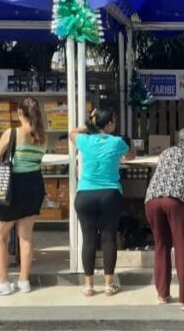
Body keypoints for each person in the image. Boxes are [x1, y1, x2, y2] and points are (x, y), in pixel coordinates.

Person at [0, 98, 48, 296]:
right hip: (34, 185)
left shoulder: (11, 133)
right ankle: (24, 281)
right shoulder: (42, 136)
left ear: (20, 113)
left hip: (11, 187)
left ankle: (3, 281)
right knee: (26, 237)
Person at [69, 106, 135, 297]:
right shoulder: (117, 142)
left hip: (85, 195)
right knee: (108, 238)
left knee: (88, 239)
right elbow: (131, 155)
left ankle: (88, 285)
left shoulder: (84, 140)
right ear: (109, 124)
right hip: (109, 194)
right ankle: (108, 284)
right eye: (114, 120)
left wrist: (90, 122)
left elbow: (72, 132)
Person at [144, 128, 184, 311]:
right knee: (183, 248)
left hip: (152, 200)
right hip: (178, 201)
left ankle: (162, 294)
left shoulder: (166, 152)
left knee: (161, 245)